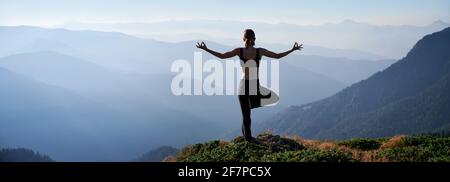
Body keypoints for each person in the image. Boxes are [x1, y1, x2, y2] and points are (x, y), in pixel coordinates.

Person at [196, 29, 302, 141]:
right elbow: (277, 56)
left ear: (243, 39)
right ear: (254, 39)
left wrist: (206, 49)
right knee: (251, 112)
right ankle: (248, 138)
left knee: (246, 115)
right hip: (253, 85)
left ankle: (247, 136)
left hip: (244, 85)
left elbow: (222, 56)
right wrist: (292, 49)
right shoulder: (259, 51)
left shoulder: (240, 51)